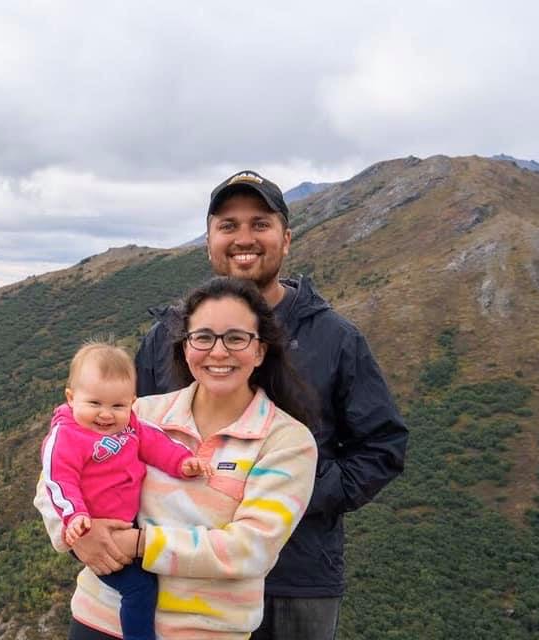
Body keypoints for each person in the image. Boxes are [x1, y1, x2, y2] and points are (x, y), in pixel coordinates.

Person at [134, 171, 409, 639]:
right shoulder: (168, 338)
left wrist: (294, 496)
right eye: (228, 225)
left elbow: (381, 447)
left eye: (259, 224)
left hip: (295, 578)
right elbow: (125, 436)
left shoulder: (334, 338)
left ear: (285, 238)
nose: (244, 238)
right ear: (209, 241)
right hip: (180, 571)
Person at [36, 277, 319, 639]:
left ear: (260, 350)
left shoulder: (286, 441)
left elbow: (251, 548)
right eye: (203, 337)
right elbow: (53, 479)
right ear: (186, 347)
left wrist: (141, 544)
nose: (218, 352)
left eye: (236, 338)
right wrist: (79, 536)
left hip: (204, 630)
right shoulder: (140, 413)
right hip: (99, 618)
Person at [40, 342, 210, 640]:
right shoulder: (66, 437)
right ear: (71, 398)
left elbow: (156, 444)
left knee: (157, 576)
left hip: (129, 524)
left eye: (117, 406)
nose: (106, 415)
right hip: (93, 528)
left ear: (132, 402)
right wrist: (76, 518)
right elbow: (58, 481)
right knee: (139, 589)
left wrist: (183, 462)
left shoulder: (131, 425)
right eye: (94, 404)